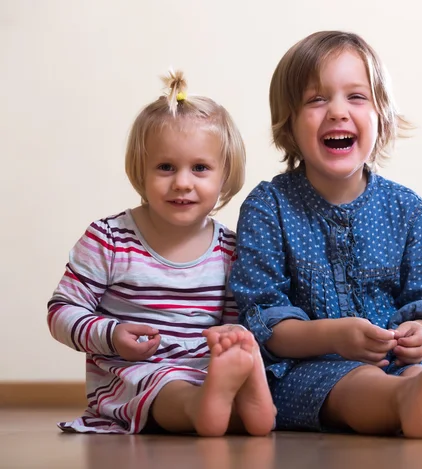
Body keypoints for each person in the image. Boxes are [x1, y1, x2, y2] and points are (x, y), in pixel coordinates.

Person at [230, 31, 422, 438]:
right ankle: (416, 400)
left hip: (402, 362)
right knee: (354, 386)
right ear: (289, 123)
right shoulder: (269, 206)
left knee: (421, 368)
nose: (337, 111)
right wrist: (334, 335)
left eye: (356, 97)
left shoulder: (405, 207)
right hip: (311, 369)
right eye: (317, 99)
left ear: (381, 117)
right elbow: (263, 321)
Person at [47, 70, 275, 436]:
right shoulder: (109, 239)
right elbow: (60, 311)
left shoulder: (230, 248)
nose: (182, 182)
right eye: (165, 167)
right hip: (134, 373)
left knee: (222, 381)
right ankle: (212, 406)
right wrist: (111, 332)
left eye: (200, 168)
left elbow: (234, 319)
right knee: (170, 391)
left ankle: (245, 397)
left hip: (207, 370)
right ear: (141, 170)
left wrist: (231, 340)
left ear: (224, 175)